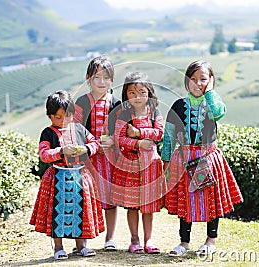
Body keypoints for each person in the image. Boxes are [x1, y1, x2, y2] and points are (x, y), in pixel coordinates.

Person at [161, 60, 243, 257]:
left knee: (210, 200)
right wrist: (165, 161)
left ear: (211, 81)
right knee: (185, 199)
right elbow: (169, 134)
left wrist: (211, 92)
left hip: (208, 156)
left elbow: (219, 113)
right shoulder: (178, 106)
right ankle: (184, 242)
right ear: (186, 81)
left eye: (203, 79)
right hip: (184, 158)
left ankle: (210, 240)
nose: (198, 83)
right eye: (193, 79)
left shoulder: (213, 103)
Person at [30, 90, 105, 260]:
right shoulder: (48, 133)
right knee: (57, 211)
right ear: (49, 116)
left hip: (79, 176)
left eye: (68, 116)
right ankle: (58, 247)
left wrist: (86, 149)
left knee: (81, 210)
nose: (63, 121)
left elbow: (95, 143)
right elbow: (44, 154)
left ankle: (81, 246)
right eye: (58, 117)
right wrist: (61, 151)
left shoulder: (79, 129)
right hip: (57, 177)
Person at [111, 72, 165, 254]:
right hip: (131, 165)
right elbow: (119, 139)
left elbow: (159, 133)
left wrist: (139, 133)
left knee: (148, 205)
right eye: (132, 93)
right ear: (126, 94)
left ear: (149, 93)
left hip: (150, 165)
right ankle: (134, 240)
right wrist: (138, 143)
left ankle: (148, 241)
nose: (137, 97)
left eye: (141, 92)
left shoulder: (155, 113)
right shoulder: (123, 114)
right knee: (132, 205)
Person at [73, 55, 121, 251]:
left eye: (106, 77)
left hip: (110, 159)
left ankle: (110, 238)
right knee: (84, 197)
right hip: (87, 159)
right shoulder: (82, 102)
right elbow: (75, 129)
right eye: (96, 77)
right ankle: (82, 241)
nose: (102, 82)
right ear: (88, 78)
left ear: (112, 79)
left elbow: (122, 129)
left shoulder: (116, 103)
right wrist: (90, 145)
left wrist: (113, 141)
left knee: (110, 199)